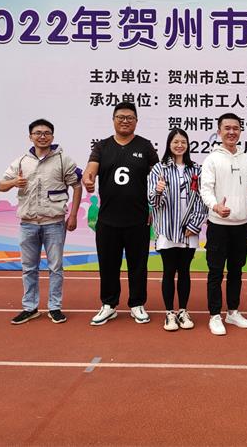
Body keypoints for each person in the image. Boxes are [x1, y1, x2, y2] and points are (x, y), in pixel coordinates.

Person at [0, 119, 82, 324]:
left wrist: (72, 215)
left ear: (52, 136)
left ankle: (55, 307)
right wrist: (14, 182)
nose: (42, 136)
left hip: (54, 223)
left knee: (55, 268)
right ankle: (30, 307)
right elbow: (1, 185)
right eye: (37, 133)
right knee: (29, 268)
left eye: (46, 133)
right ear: (30, 137)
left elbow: (77, 186)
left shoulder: (63, 160)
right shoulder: (21, 161)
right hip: (28, 223)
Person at [83, 102, 159, 326]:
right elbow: (90, 171)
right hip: (108, 219)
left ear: (136, 121)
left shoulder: (145, 146)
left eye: (129, 117)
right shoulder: (102, 146)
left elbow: (158, 176)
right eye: (120, 117)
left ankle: (137, 304)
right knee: (108, 264)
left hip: (138, 219)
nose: (125, 121)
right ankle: (109, 304)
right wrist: (88, 180)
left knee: (138, 265)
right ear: (113, 120)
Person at [200, 113, 247, 335]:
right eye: (227, 128)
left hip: (241, 225)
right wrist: (215, 206)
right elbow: (206, 189)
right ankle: (215, 315)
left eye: (236, 128)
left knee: (236, 270)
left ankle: (233, 312)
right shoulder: (212, 159)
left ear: (240, 131)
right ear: (219, 131)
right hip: (218, 224)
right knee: (216, 271)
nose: (231, 132)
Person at [148, 128, 207, 331]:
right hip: (167, 228)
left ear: (188, 145)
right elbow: (153, 202)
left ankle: (183, 311)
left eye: (183, 142)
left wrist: (194, 224)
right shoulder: (159, 168)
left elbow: (202, 200)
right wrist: (158, 191)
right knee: (168, 270)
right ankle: (169, 313)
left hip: (189, 230)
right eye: (175, 142)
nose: (179, 145)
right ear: (169, 144)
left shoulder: (196, 169)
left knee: (184, 271)